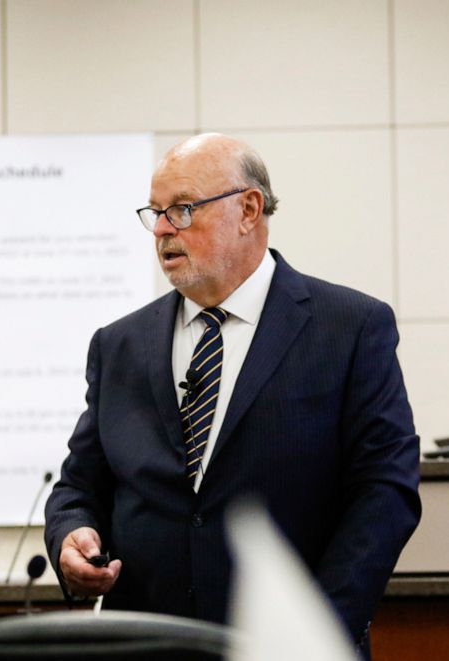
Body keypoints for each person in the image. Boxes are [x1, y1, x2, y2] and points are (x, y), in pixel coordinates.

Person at [44, 133, 421, 652]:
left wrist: (317, 630)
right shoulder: (119, 345)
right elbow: (79, 487)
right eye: (154, 213)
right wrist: (71, 535)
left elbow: (385, 492)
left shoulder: (349, 328)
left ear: (248, 209)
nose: (160, 230)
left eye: (181, 209)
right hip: (145, 644)